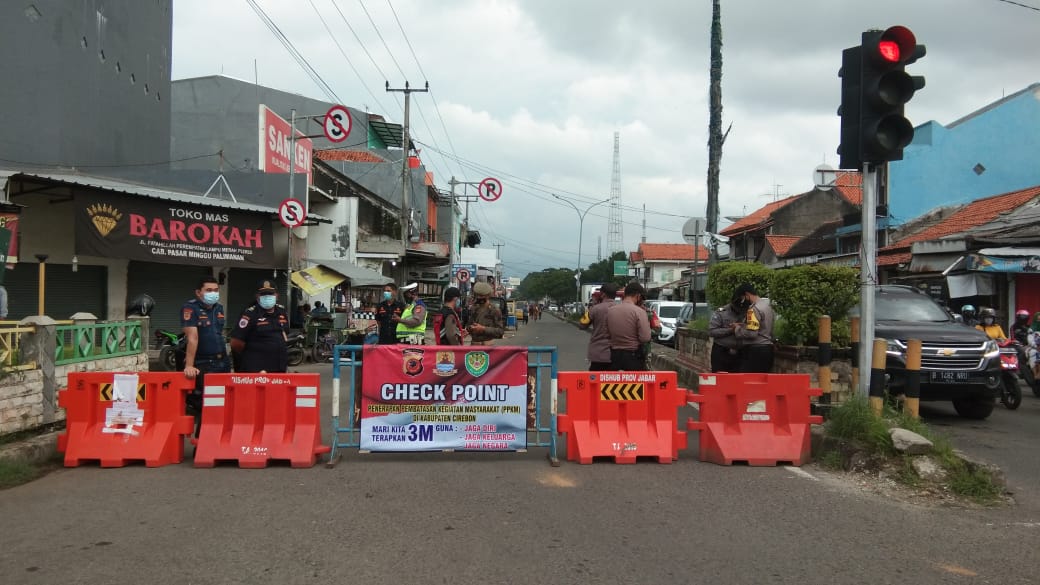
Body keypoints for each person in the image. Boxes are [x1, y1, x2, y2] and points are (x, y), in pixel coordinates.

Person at [181, 276, 231, 427]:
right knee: (208, 406)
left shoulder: (219, 308)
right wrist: (189, 365)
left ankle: (220, 442)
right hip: (205, 363)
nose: (213, 293)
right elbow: (192, 337)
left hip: (223, 362)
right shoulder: (190, 308)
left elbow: (218, 334)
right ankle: (201, 446)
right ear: (198, 292)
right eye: (208, 290)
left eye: (216, 290)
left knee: (225, 404)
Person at [229, 280, 290, 373]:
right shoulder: (250, 314)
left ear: (277, 296)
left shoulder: (281, 311)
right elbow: (235, 343)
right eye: (263, 294)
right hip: (257, 369)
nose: (267, 297)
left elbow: (284, 333)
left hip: (279, 367)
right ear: (257, 297)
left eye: (271, 294)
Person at [605, 281, 652, 371]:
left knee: (615, 383)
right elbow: (645, 338)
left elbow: (607, 334)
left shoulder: (610, 311)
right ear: (638, 296)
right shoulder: (639, 312)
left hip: (614, 356)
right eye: (641, 297)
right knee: (635, 384)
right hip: (633, 357)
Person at [732, 283, 775, 373]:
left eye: (742, 298)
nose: (742, 301)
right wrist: (744, 325)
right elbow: (763, 326)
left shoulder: (753, 310)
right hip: (768, 349)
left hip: (755, 351)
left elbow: (752, 333)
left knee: (747, 381)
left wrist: (737, 329)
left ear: (747, 295)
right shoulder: (767, 306)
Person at [580, 283, 618, 371]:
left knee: (594, 381)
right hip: (616, 353)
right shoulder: (621, 308)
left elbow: (582, 324)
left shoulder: (595, 309)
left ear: (603, 294)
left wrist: (593, 306)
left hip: (598, 353)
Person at [708, 291, 745, 373]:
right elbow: (712, 331)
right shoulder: (721, 312)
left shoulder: (747, 312)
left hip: (740, 352)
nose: (739, 311)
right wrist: (731, 330)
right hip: (722, 351)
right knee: (720, 380)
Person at [466, 281, 504, 345]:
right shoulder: (474, 308)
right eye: (477, 295)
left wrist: (483, 329)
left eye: (481, 295)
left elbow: (500, 332)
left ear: (488, 295)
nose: (479, 297)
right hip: (474, 346)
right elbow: (468, 325)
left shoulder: (494, 310)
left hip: (487, 347)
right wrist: (470, 328)